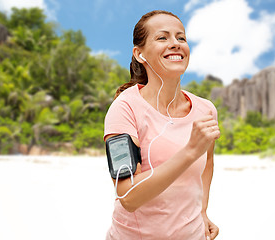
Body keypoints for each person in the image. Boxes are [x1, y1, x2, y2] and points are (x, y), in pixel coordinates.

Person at [104, 10, 220, 240]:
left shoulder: (205, 109)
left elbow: (207, 163)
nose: (175, 44)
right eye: (162, 38)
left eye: (181, 37)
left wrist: (202, 211)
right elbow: (127, 197)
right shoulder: (124, 108)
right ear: (140, 54)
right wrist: (189, 152)